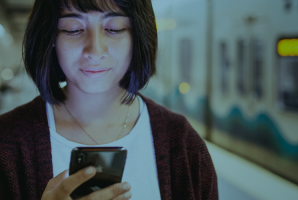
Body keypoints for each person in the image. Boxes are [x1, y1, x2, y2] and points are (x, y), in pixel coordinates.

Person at [0, 0, 218, 199]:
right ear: (51, 39)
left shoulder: (183, 143)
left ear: (137, 37)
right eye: (73, 30)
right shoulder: (7, 143)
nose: (95, 50)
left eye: (114, 29)